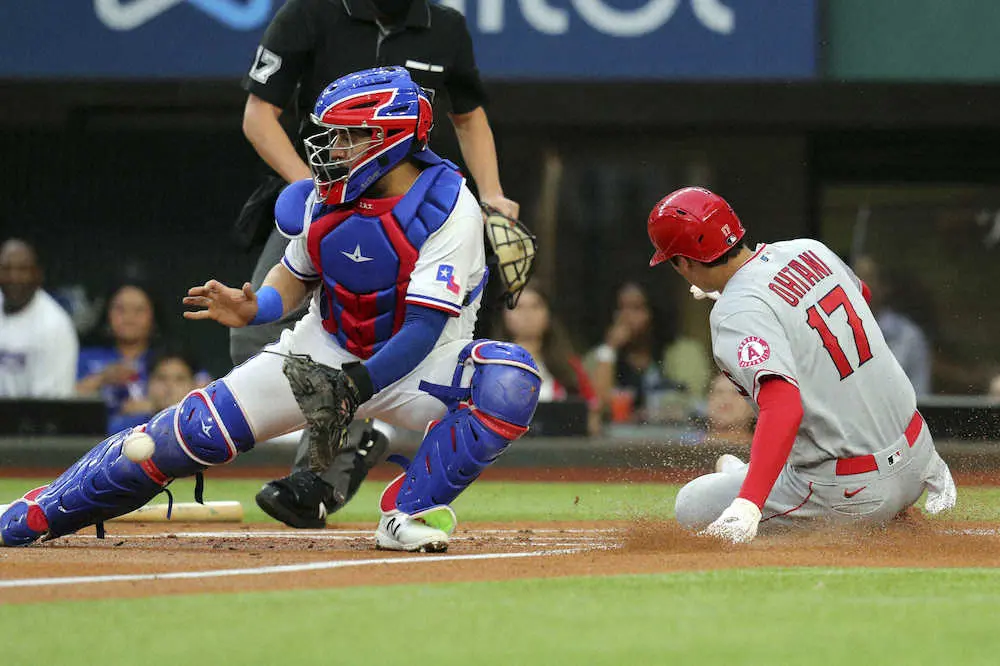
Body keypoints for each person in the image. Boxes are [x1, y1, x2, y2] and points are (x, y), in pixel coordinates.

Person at [0, 68, 541, 554]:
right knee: (182, 436)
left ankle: (408, 514)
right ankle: (37, 511)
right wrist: (253, 306)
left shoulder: (450, 208)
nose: (334, 149)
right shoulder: (322, 198)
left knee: (508, 382)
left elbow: (422, 329)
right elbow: (294, 276)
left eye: (350, 137)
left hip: (421, 365)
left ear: (391, 141)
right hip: (322, 350)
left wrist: (356, 386)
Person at [234, 0, 519, 524]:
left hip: (409, 209)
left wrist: (493, 193)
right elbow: (260, 116)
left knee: (408, 325)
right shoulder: (307, 13)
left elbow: (469, 116)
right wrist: (319, 189)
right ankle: (359, 432)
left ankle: (316, 482)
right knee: (251, 335)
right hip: (320, 196)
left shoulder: (446, 26)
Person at [646, 187, 957, 544]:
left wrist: (748, 505)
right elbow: (861, 299)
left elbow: (783, 406)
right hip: (920, 458)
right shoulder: (808, 248)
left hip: (855, 491)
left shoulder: (735, 312)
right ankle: (751, 475)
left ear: (684, 262)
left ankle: (749, 481)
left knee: (691, 504)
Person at [588, 282, 710, 424]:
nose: (626, 317)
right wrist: (609, 348)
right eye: (621, 309)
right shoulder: (599, 357)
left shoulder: (684, 352)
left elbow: (694, 400)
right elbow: (596, 406)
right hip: (616, 441)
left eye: (636, 308)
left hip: (673, 439)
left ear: (654, 312)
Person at [497, 285, 600, 435]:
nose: (527, 314)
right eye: (518, 307)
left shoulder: (569, 365)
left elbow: (592, 413)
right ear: (504, 315)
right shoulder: (488, 364)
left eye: (535, 306)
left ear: (548, 314)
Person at [76, 283, 164, 431]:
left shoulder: (168, 360)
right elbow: (61, 401)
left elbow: (200, 399)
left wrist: (157, 406)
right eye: (120, 309)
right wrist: (100, 379)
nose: (129, 317)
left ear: (154, 316)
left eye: (139, 310)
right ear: (107, 314)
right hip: (93, 441)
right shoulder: (85, 358)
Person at [0, 239, 78, 398]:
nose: (13, 277)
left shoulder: (55, 326)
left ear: (37, 274)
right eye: (6, 269)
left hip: (25, 420)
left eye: (22, 270)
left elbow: (47, 409)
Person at [852, 256, 932, 396]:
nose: (858, 284)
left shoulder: (909, 338)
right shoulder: (835, 331)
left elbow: (921, 400)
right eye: (854, 277)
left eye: (867, 277)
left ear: (884, 287)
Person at [107, 349, 204, 433]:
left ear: (193, 386)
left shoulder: (204, 428)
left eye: (179, 379)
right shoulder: (125, 428)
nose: (169, 386)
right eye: (161, 378)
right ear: (149, 383)